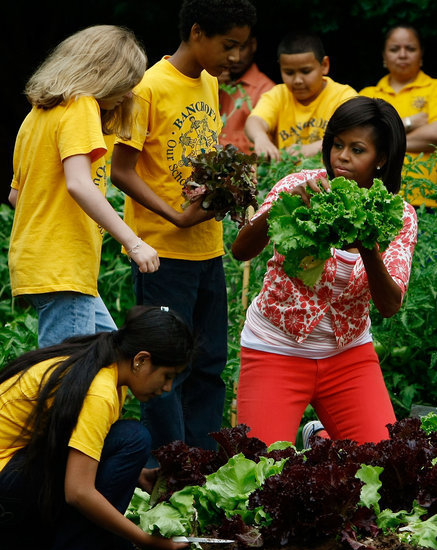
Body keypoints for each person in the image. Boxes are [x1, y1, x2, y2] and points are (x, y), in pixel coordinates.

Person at [110, 0, 257, 463]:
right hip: (162, 252)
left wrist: (231, 186)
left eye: (241, 46)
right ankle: (168, 468)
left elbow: (206, 154)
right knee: (164, 368)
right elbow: (121, 170)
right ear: (197, 33)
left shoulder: (210, 83)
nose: (235, 56)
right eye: (226, 44)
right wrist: (173, 215)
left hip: (206, 248)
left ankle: (205, 466)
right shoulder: (148, 87)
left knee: (209, 365)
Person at [232, 96, 417, 448]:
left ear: (380, 159)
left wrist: (368, 244)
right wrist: (284, 207)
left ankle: (320, 439)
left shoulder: (399, 215)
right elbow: (241, 250)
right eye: (337, 144)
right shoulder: (300, 186)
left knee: (384, 466)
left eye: (357, 149)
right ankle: (321, 440)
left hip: (348, 356)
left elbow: (390, 304)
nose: (342, 156)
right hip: (275, 347)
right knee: (258, 475)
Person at [0, 306, 192, 550]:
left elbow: (73, 442)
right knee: (133, 438)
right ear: (141, 360)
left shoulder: (108, 366)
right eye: (166, 375)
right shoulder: (100, 390)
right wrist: (146, 540)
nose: (167, 387)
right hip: (8, 487)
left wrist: (137, 474)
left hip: (13, 481)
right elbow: (78, 491)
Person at [8, 25, 160, 349]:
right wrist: (133, 243)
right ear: (104, 74)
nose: (131, 92)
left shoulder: (37, 115)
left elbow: (16, 195)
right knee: (64, 378)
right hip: (64, 266)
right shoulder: (81, 106)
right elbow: (79, 183)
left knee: (109, 355)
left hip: (40, 263)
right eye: (127, 82)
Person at [244, 31, 357, 161]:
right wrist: (260, 138)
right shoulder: (278, 94)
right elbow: (254, 121)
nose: (297, 80)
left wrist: (316, 147)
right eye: (289, 72)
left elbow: (354, 132)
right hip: (286, 178)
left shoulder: (343, 96)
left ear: (324, 65)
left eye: (306, 71)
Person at [359, 25, 437, 209]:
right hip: (376, 203)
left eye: (410, 48)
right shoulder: (368, 94)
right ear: (384, 56)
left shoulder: (434, 89)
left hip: (428, 204)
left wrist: (383, 143)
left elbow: (435, 134)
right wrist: (408, 123)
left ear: (421, 54)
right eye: (395, 49)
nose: (402, 54)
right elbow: (359, 139)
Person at [218, 32, 275, 154]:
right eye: (229, 48)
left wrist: (216, 145)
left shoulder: (267, 90)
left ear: (253, 45)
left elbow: (260, 146)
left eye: (241, 48)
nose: (235, 56)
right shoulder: (213, 81)